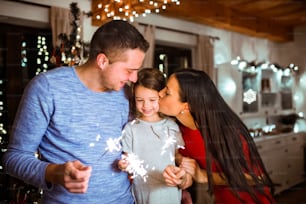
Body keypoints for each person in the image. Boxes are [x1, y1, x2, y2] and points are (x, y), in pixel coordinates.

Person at [2, 20, 149, 204]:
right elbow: (14, 158)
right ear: (102, 61)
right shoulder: (47, 88)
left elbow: (139, 142)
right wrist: (54, 172)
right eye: (129, 70)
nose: (134, 78)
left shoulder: (127, 94)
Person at [159, 69, 275, 203]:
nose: (159, 93)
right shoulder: (180, 131)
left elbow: (257, 178)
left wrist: (203, 176)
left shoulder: (227, 132)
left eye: (167, 92)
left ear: (186, 107)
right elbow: (184, 162)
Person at [118, 68, 185, 204]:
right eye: (140, 100)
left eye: (152, 99)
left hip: (169, 193)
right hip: (143, 193)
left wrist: (182, 172)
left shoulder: (172, 126)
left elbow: (178, 157)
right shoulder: (131, 129)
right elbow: (127, 159)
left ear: (162, 96)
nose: (146, 105)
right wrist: (124, 164)